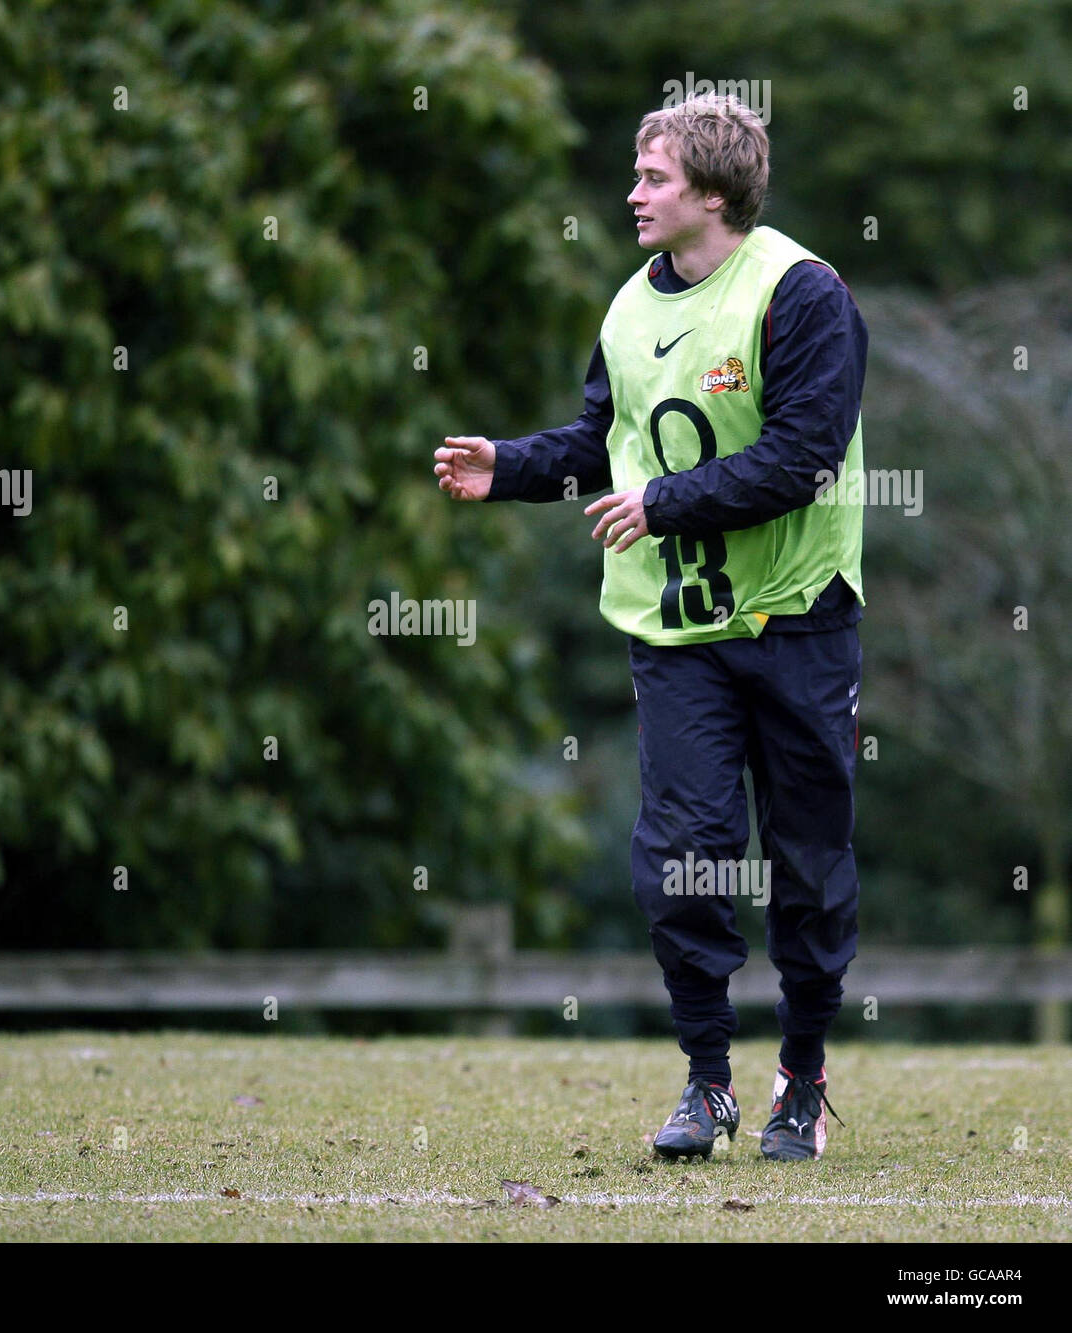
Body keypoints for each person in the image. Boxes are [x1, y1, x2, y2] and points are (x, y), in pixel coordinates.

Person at [433, 93, 866, 1162]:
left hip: (799, 619)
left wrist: (664, 507)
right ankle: (706, 1082)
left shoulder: (801, 293)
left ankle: (800, 1082)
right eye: (636, 174)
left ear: (712, 194)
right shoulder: (630, 307)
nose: (631, 193)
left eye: (653, 177)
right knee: (681, 857)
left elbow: (803, 456)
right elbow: (606, 441)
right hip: (675, 634)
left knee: (806, 867)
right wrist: (514, 467)